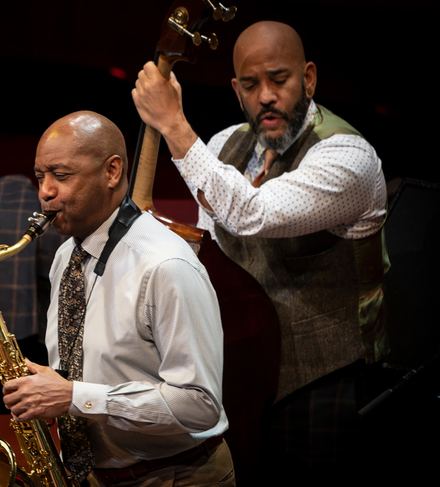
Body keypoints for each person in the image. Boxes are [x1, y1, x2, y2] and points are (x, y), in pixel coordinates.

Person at [132, 20, 390, 482]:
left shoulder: (348, 156)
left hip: (322, 379)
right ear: (235, 89)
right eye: (251, 85)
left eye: (280, 79)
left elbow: (252, 213)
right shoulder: (222, 145)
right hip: (243, 370)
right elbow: (210, 252)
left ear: (308, 78)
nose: (266, 96)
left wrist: (172, 123)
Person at [1, 110, 235, 487]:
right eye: (40, 176)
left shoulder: (166, 266)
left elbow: (200, 406)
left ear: (112, 172)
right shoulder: (66, 256)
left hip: (174, 476)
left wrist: (75, 397)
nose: (45, 190)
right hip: (94, 475)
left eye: (61, 176)